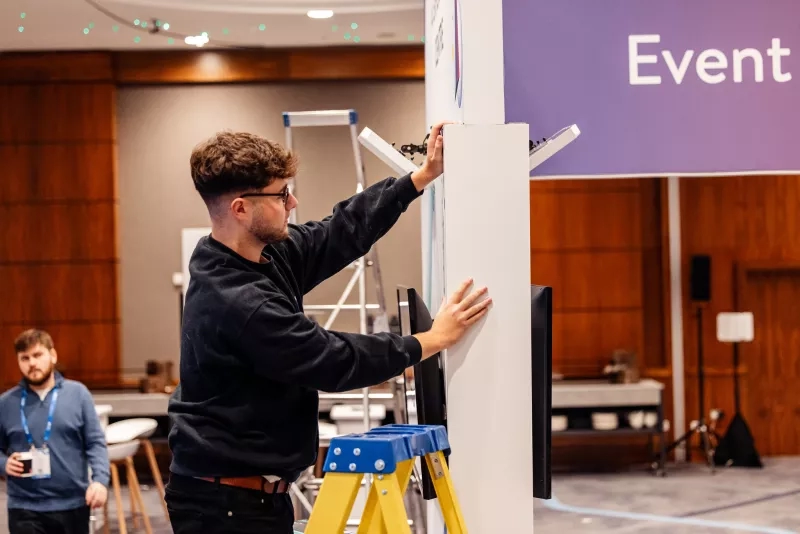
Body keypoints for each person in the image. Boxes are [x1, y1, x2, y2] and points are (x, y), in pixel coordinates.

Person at [165, 122, 491, 533]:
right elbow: (330, 359)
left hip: (249, 496)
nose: (293, 201)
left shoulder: (259, 254)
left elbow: (338, 232)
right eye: (281, 194)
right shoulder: (236, 300)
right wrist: (429, 341)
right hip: (224, 505)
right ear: (241, 209)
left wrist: (418, 179)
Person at [0, 329, 109, 534]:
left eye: (38, 355)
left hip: (73, 504)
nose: (32, 363)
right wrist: (4, 463)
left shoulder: (78, 394)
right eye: (25, 358)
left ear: (53, 355)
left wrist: (100, 481)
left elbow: (95, 443)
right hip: (24, 507)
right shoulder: (6, 403)